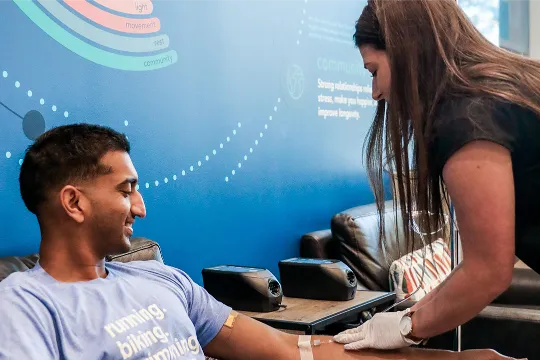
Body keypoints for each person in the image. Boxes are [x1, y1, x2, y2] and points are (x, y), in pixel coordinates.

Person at [0, 123, 514, 360]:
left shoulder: (160, 278)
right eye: (126, 190)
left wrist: (450, 359)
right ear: (73, 202)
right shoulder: (24, 305)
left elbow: (290, 349)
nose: (141, 208)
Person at [333, 0, 540, 352]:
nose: (375, 93)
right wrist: (410, 315)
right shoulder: (496, 88)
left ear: (404, 51)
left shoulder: (466, 117)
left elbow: (488, 269)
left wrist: (407, 328)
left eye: (373, 72)